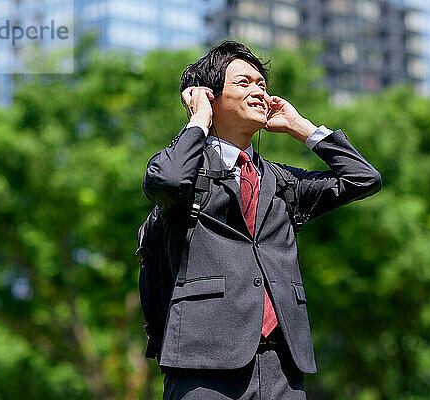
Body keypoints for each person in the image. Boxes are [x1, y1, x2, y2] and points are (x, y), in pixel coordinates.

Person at [142, 40, 382, 399]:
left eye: (262, 85)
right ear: (210, 97)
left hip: (283, 367)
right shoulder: (184, 170)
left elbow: (363, 179)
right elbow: (168, 182)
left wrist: (302, 128)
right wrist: (198, 123)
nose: (258, 92)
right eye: (244, 83)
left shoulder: (282, 182)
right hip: (203, 363)